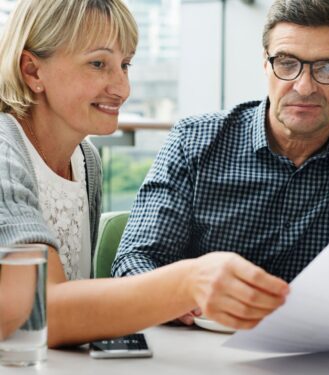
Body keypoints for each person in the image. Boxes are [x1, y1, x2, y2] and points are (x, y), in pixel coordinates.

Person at [0, 0, 288, 348]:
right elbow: (39, 313)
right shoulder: (5, 151)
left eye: (124, 65)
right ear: (32, 71)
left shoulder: (86, 160)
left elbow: (74, 316)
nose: (122, 88)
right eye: (97, 63)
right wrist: (189, 281)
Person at [113, 0, 329, 325]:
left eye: (327, 68)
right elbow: (135, 260)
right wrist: (189, 302)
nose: (304, 86)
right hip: (204, 345)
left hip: (325, 350)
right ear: (265, 65)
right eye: (287, 64)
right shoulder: (194, 141)